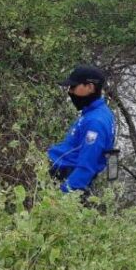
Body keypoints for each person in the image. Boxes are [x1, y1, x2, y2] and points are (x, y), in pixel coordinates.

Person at [48, 65, 116, 194]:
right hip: (60, 171)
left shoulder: (95, 122)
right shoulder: (96, 112)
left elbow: (86, 167)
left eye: (74, 87)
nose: (70, 92)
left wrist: (61, 196)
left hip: (65, 178)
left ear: (90, 87)